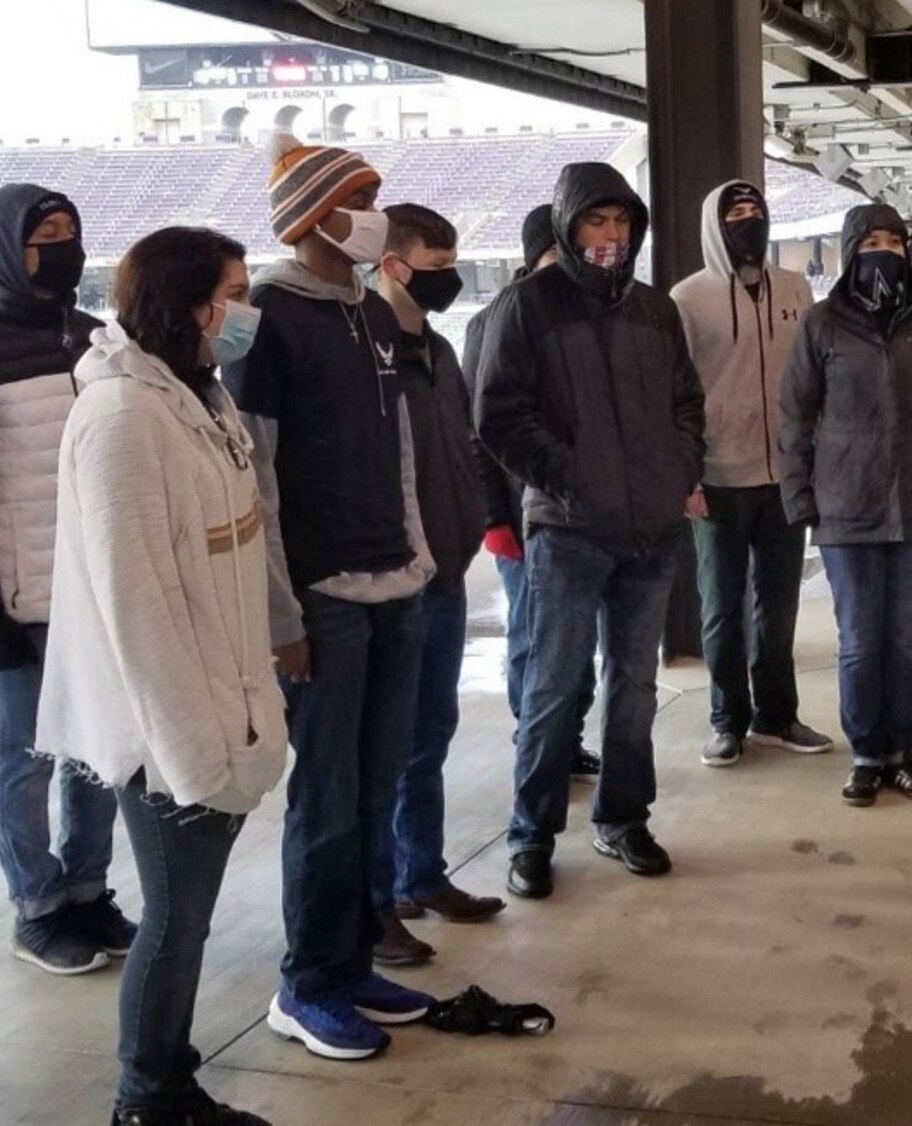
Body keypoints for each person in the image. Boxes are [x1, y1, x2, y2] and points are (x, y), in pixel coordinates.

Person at [35, 226, 281, 1126]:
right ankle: (147, 1098)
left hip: (222, 702)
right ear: (190, 304)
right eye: (236, 290)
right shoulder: (122, 419)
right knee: (175, 921)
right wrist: (190, 748)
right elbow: (136, 607)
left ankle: (169, 1076)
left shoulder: (194, 393)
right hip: (170, 728)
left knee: (189, 917)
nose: (247, 309)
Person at [223, 134, 436, 1062]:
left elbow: (398, 451)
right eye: (360, 198)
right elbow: (258, 477)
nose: (375, 214)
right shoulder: (268, 318)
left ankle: (353, 957)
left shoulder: (374, 313)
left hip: (396, 580)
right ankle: (308, 980)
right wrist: (282, 614)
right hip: (323, 595)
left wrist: (420, 554)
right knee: (328, 793)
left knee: (378, 780)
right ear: (313, 216)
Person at [0, 183, 134, 976]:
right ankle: (36, 906)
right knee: (27, 759)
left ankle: (88, 889)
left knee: (101, 753)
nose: (62, 246)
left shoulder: (99, 339)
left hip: (99, 592)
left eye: (72, 230)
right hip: (22, 598)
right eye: (45, 234)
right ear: (6, 247)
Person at [474, 161, 706, 899]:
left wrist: (676, 470)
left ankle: (623, 818)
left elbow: (685, 403)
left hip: (652, 534)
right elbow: (499, 417)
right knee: (554, 687)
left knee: (635, 688)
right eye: (594, 223)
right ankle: (532, 835)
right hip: (568, 533)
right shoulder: (529, 305)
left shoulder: (653, 310)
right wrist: (571, 476)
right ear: (569, 228)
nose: (610, 237)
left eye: (620, 223)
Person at [781, 203, 912, 805]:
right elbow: (795, 415)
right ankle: (866, 754)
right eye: (870, 242)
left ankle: (903, 752)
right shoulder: (822, 324)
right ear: (849, 251)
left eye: (893, 240)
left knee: (905, 642)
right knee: (861, 639)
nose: (883, 251)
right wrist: (798, 494)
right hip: (847, 505)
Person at [370, 202, 505, 964]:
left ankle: (423, 872)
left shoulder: (439, 349)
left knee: (431, 732)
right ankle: (382, 891)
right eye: (436, 264)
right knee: (387, 744)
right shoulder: (372, 350)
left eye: (454, 261)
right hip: (397, 575)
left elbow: (461, 445)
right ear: (393, 265)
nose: (449, 276)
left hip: (446, 570)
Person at [670, 179, 831, 768]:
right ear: (715, 224)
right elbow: (677, 394)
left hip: (783, 475)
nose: (748, 221)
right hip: (716, 478)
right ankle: (726, 719)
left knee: (780, 605)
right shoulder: (687, 299)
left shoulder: (795, 287)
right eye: (736, 213)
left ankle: (777, 715)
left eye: (756, 211)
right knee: (721, 607)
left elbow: (812, 377)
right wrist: (686, 476)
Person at [463, 204, 600, 783]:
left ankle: (565, 739)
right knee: (532, 638)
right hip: (525, 516)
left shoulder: (593, 313)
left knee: (576, 642)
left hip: (589, 513)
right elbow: (478, 430)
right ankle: (534, 742)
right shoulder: (493, 321)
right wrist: (496, 518)